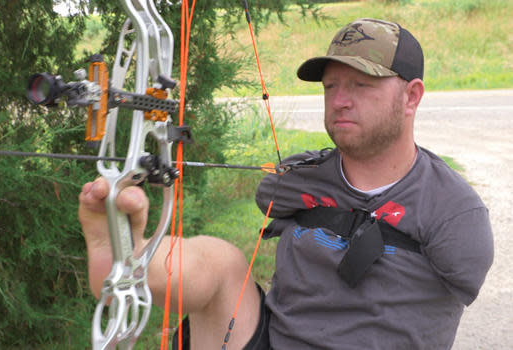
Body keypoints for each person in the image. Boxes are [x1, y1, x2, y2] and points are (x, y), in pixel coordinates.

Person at [79, 18, 494, 349]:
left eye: (361, 86)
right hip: (273, 342)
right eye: (331, 86)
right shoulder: (299, 178)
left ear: (412, 97)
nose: (340, 100)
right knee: (224, 263)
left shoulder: (454, 211)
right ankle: (124, 257)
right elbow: (269, 199)